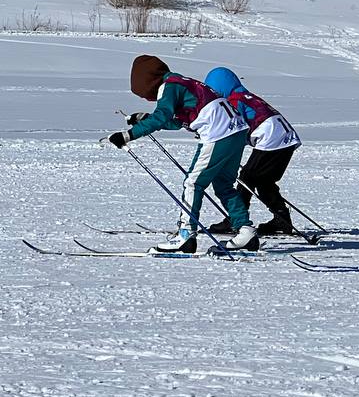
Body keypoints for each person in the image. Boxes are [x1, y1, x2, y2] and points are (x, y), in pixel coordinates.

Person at [108, 55, 257, 253]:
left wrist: (128, 135)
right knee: (223, 185)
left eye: (143, 93)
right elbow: (177, 121)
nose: (145, 97)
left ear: (149, 82)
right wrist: (146, 119)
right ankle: (246, 232)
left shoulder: (168, 87)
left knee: (193, 183)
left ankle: (186, 235)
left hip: (218, 134)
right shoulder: (183, 83)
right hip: (236, 132)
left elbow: (162, 117)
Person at [203, 67, 302, 237]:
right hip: (285, 137)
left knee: (246, 179)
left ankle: (237, 220)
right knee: (263, 180)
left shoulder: (234, 101)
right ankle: (281, 218)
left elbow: (232, 130)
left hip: (271, 138)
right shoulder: (247, 96)